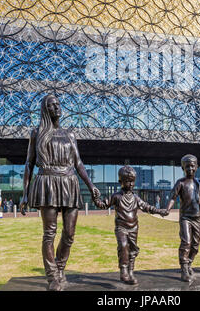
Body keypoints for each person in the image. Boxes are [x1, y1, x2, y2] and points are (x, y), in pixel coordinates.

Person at [20, 94, 100, 291]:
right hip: (47, 181)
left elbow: (78, 162)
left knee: (69, 233)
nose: (57, 107)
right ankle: (52, 276)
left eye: (58, 104)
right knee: (49, 233)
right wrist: (24, 193)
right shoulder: (37, 133)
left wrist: (91, 185)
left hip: (69, 182)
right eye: (52, 105)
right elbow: (29, 164)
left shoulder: (69, 134)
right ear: (45, 110)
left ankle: (60, 268)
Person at [93, 165, 168, 285]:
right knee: (123, 245)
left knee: (133, 250)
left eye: (132, 181)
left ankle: (130, 271)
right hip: (121, 228)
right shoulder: (116, 196)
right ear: (120, 182)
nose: (131, 184)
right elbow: (103, 205)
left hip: (133, 228)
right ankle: (123, 270)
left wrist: (160, 211)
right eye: (127, 181)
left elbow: (147, 207)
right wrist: (95, 198)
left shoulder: (136, 198)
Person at [166, 154, 200, 282]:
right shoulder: (180, 182)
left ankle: (189, 263)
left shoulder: (199, 182)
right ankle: (184, 267)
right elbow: (172, 197)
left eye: (192, 166)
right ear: (183, 168)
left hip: (198, 218)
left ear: (196, 167)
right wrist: (168, 209)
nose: (190, 168)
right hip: (185, 217)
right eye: (187, 166)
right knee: (186, 242)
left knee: (195, 245)